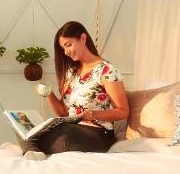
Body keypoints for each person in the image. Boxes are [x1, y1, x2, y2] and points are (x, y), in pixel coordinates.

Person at [29, 20, 129, 155]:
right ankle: (34, 152)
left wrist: (94, 115)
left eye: (68, 45)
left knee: (62, 139)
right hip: (72, 128)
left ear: (83, 38)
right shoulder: (71, 73)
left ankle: (35, 151)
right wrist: (49, 94)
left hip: (98, 133)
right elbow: (64, 113)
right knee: (29, 133)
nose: (65, 52)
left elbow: (123, 111)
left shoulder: (107, 71)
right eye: (63, 48)